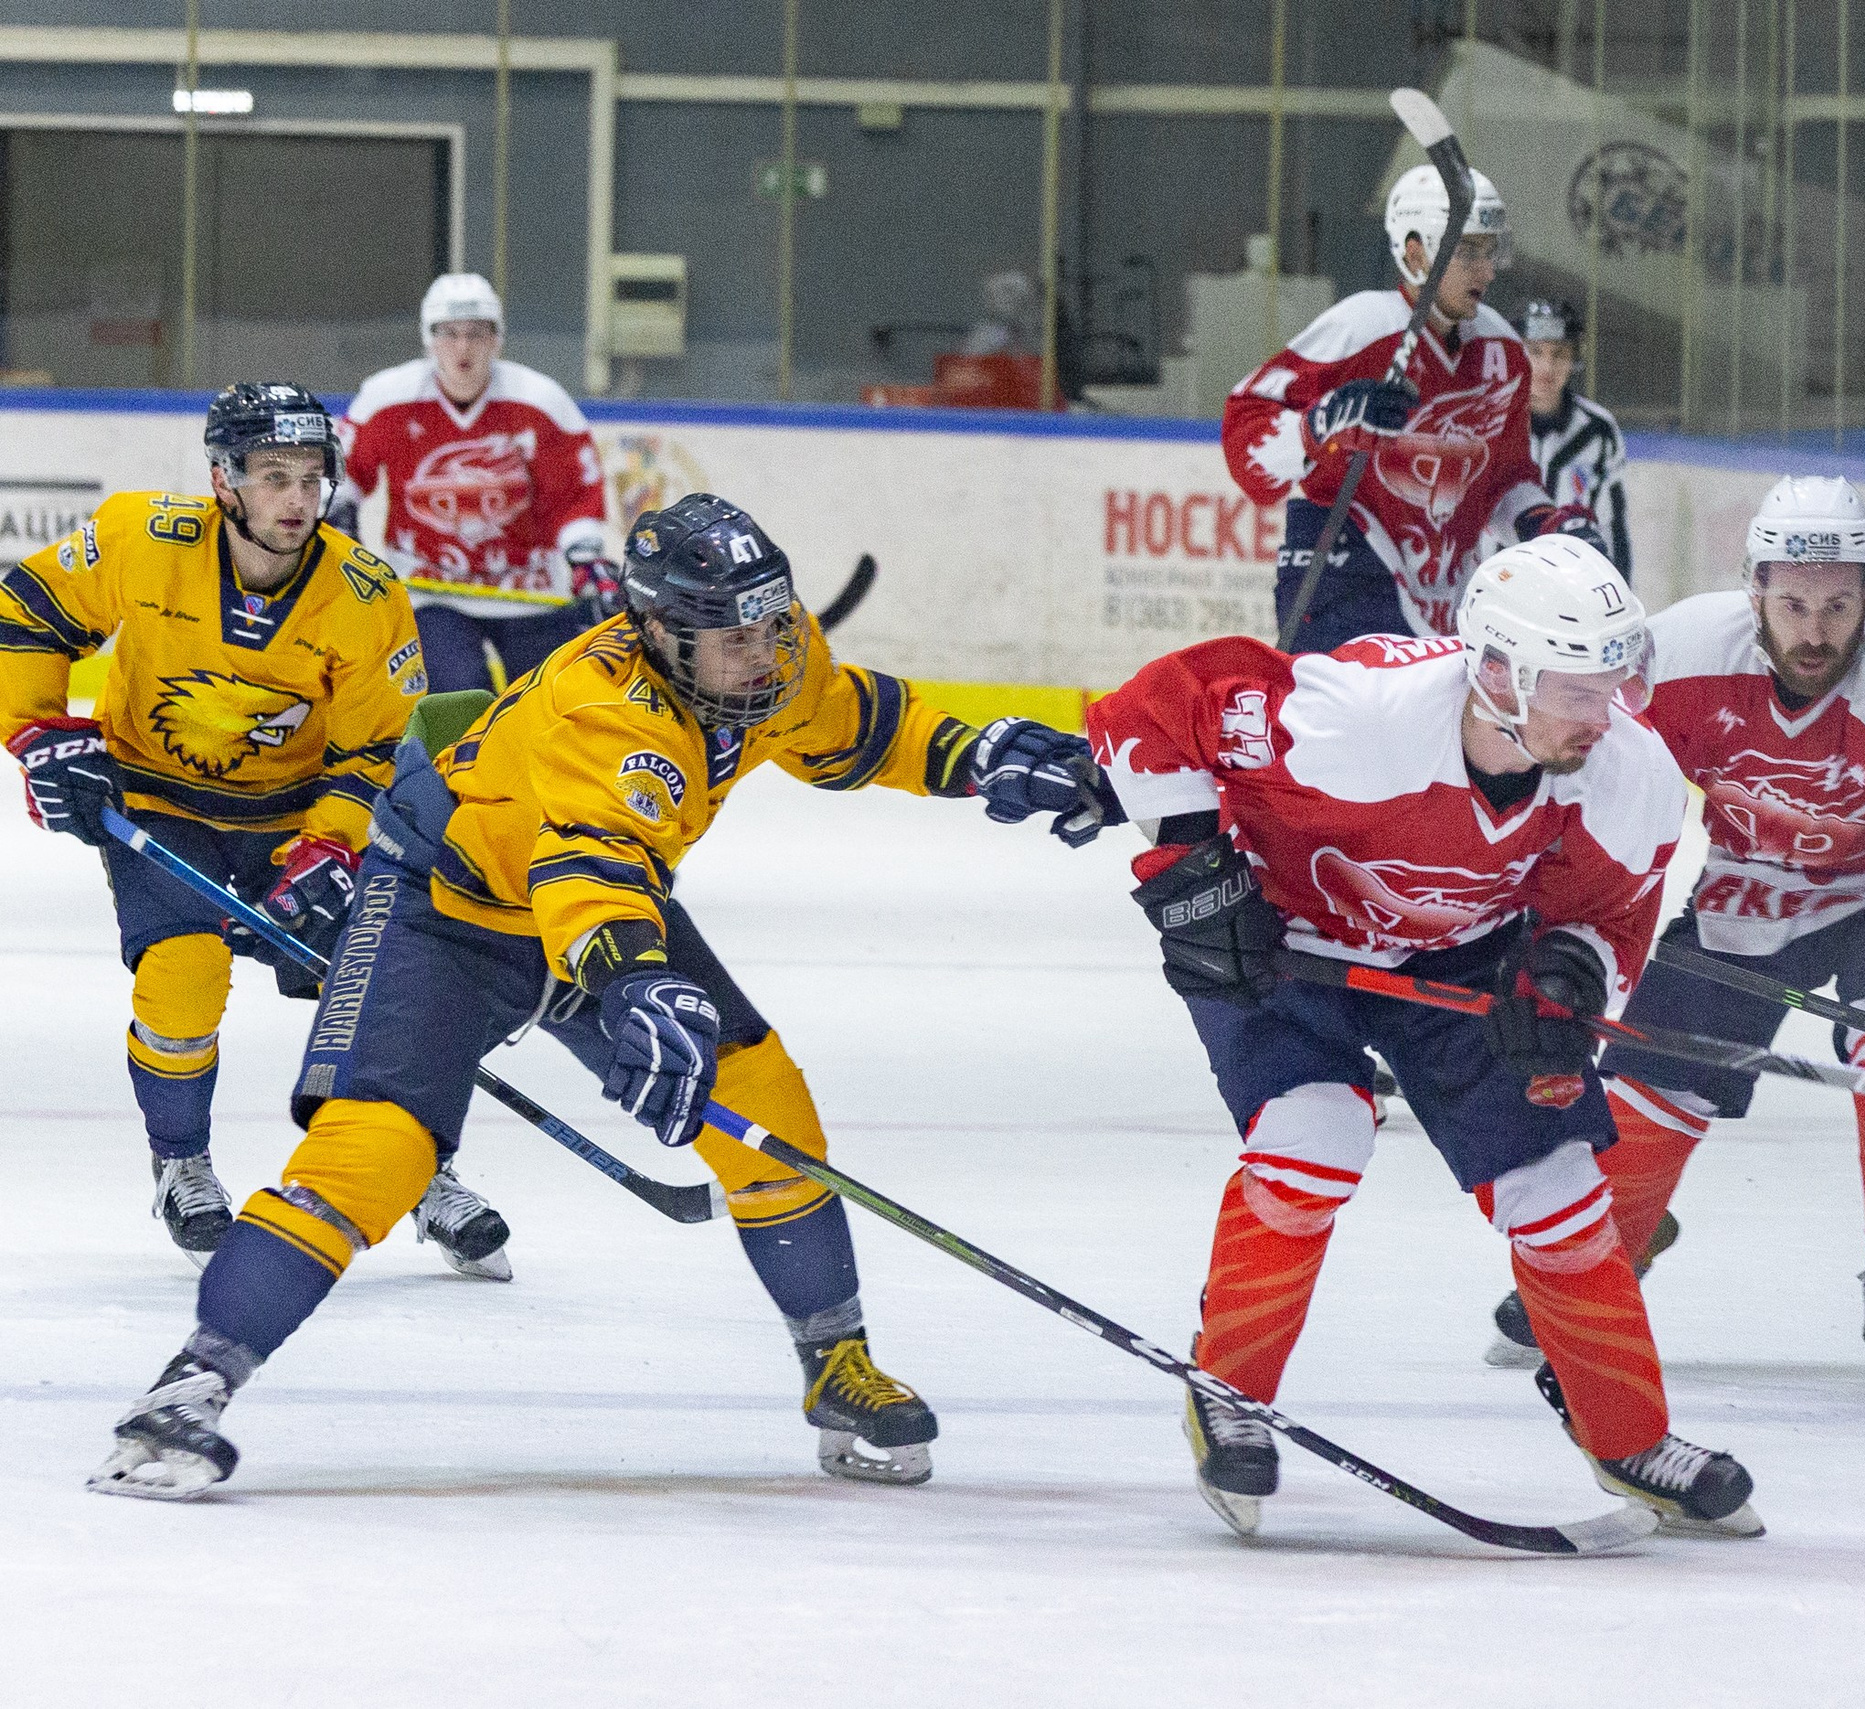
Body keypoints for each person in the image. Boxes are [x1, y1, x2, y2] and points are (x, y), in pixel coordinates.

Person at [86, 494, 1115, 1500]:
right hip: (445, 906)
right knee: (378, 1152)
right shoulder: (603, 708)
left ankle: (837, 1366)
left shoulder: (765, 652)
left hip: (595, 905)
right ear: (662, 633)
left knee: (768, 1105)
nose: (764, 652)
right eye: (734, 634)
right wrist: (637, 984)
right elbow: (586, 871)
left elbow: (853, 721)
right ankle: (187, 1389)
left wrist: (979, 754)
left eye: (770, 621)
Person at [1087, 535, 1762, 1539]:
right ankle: (1227, 1389)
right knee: (1315, 1136)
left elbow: (1611, 911)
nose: (1602, 712)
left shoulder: (1626, 771)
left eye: (1609, 682)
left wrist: (1568, 977)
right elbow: (1150, 706)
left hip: (1460, 958)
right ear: (1495, 672)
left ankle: (1625, 1434)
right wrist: (1191, 870)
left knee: (1560, 1188)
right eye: (1573, 687)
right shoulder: (1354, 717)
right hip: (1281, 943)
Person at [1476, 478, 1865, 1390]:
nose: (1815, 631)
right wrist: (1551, 911)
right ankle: (1616, 1245)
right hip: (1746, 897)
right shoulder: (1680, 656)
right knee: (1652, 1083)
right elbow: (1595, 769)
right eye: (1794, 603)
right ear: (1756, 588)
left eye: (1839, 605)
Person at [0, 385, 519, 1274]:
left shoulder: (364, 593)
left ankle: (415, 1172)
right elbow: (24, 611)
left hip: (296, 814)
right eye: (273, 476)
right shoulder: (140, 536)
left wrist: (332, 844)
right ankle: (181, 1161)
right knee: (183, 970)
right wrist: (37, 733)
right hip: (159, 801)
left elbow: (376, 749)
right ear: (223, 480)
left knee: (381, 987)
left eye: (311, 478)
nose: (296, 499)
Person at [1221, 165, 1601, 650]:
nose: (1486, 270)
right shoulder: (1363, 327)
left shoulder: (1502, 350)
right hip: (1345, 575)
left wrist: (1544, 524)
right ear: (1415, 250)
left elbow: (1504, 478)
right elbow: (1245, 436)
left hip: (1450, 599)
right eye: (1467, 251)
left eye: (1489, 251)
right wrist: (1323, 421)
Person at [332, 273, 614, 696]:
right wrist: (339, 518)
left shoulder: (540, 401)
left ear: (497, 339)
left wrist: (585, 560)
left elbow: (574, 498)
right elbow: (342, 476)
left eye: (477, 334)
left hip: (529, 586)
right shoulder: (386, 398)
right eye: (449, 334)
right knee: (458, 697)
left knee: (547, 703)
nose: (463, 348)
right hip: (429, 589)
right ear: (428, 339)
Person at [1521, 298, 1632, 576]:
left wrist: (1622, 596)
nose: (1547, 367)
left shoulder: (1600, 431)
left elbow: (1614, 527)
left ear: (1574, 358)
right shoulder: (1490, 422)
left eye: (1559, 353)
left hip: (1576, 587)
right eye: (1535, 351)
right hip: (1502, 587)